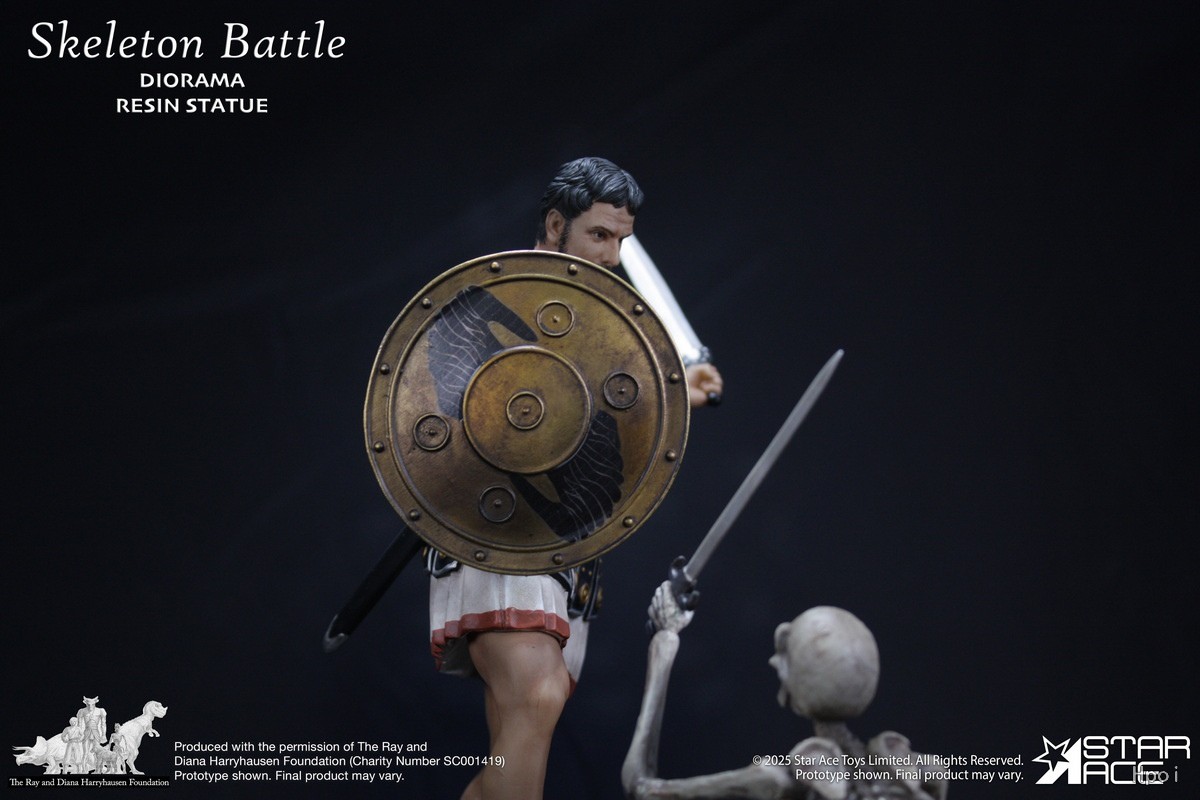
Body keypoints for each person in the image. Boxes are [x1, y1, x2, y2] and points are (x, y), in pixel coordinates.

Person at [427, 157, 724, 800]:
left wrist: (677, 387)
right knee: (537, 695)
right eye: (599, 235)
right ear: (557, 224)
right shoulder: (504, 297)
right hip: (502, 531)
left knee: (520, 729)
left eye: (622, 240)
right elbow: (495, 407)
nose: (613, 256)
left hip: (569, 551)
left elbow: (610, 405)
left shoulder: (600, 315)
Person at [622, 585, 947, 799]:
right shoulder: (923, 772)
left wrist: (665, 644)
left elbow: (641, 788)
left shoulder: (775, 780)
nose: (774, 660)